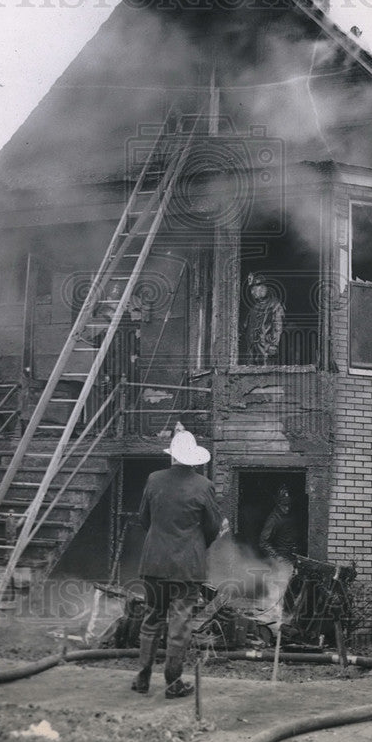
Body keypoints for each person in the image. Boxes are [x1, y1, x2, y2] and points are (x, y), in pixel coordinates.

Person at [132, 424, 224, 699]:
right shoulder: (204, 486)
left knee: (152, 618)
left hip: (154, 562)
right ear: (194, 457)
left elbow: (143, 519)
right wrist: (197, 545)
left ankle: (142, 678)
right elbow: (213, 526)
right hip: (187, 566)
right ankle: (173, 683)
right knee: (179, 623)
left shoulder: (153, 479)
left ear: (172, 456)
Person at [241, 273, 285, 365]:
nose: (252, 292)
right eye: (252, 289)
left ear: (265, 287)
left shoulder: (274, 305)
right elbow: (244, 328)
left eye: (255, 288)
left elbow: (278, 326)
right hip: (252, 352)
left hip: (266, 349)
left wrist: (274, 345)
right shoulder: (253, 309)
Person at [259, 485, 300, 563]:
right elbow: (263, 542)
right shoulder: (273, 519)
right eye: (284, 505)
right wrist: (277, 557)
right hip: (281, 557)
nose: (287, 508)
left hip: (294, 555)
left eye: (289, 505)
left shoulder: (292, 514)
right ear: (278, 504)